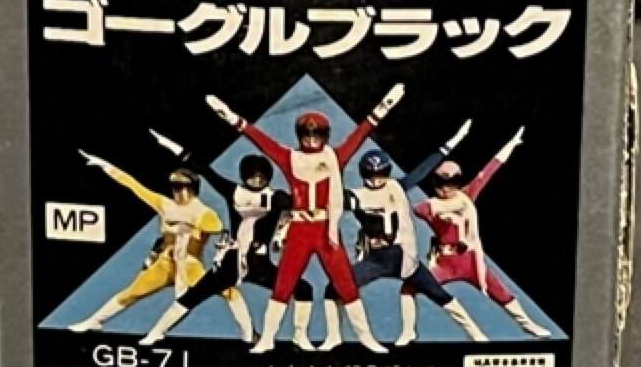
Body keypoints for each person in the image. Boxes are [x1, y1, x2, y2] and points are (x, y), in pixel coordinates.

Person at [207, 85, 403, 353]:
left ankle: (366, 337)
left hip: (325, 229)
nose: (311, 139)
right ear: (299, 135)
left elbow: (361, 133)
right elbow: (260, 140)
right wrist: (231, 117)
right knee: (284, 284)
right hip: (300, 229)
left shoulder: (335, 157)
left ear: (325, 135)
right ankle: (267, 338)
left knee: (345, 283)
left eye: (317, 133)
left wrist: (386, 105)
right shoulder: (290, 158)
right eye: (306, 134)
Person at [66, 153, 246, 337]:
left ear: (192, 188)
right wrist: (105, 165)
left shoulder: (203, 212)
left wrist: (190, 226)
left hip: (190, 265)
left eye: (181, 186)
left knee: (229, 292)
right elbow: (134, 185)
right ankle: (94, 321)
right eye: (174, 186)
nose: (177, 191)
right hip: (165, 264)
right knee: (130, 293)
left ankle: (248, 334)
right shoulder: (165, 204)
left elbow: (217, 227)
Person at [135, 135, 283, 347]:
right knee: (192, 296)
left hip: (260, 263)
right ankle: (156, 333)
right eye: (252, 176)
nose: (257, 180)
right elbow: (204, 169)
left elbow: (304, 204)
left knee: (301, 289)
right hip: (232, 261)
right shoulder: (233, 192)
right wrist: (169, 144)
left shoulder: (276, 197)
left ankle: (279, 338)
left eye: (261, 177)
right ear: (244, 176)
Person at [407, 128, 551, 338]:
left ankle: (528, 325)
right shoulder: (431, 205)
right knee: (410, 287)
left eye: (452, 184)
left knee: (501, 292)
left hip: (469, 261)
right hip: (445, 265)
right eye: (441, 184)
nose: (446, 189)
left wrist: (511, 144)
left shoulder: (466, 196)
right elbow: (417, 210)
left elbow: (489, 169)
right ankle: (409, 331)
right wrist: (443, 212)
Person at [347, 135, 487, 346]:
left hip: (403, 257)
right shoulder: (357, 196)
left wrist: (448, 145)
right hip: (376, 259)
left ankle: (476, 334)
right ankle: (355, 337)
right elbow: (333, 201)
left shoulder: (397, 187)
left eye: (380, 175)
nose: (376, 181)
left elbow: (421, 172)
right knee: (339, 287)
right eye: (371, 175)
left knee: (438, 294)